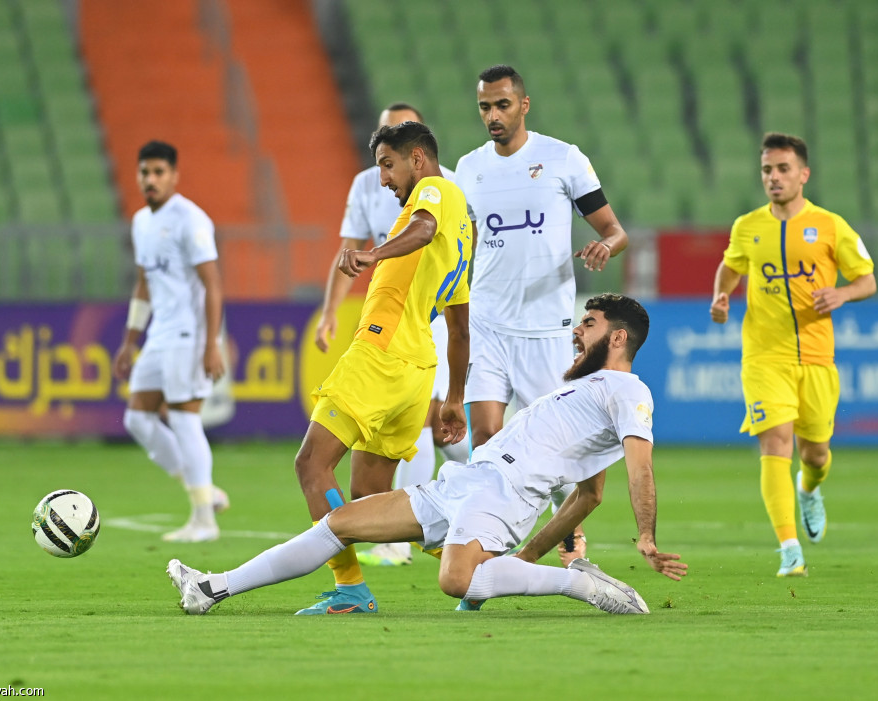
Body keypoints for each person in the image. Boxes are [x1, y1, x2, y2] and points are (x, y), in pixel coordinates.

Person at [167, 294, 688, 616]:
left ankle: (578, 585)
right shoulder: (583, 387)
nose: (578, 329)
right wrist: (528, 556)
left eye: (590, 323)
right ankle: (213, 588)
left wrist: (645, 535)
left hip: (504, 496)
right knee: (338, 523)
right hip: (466, 481)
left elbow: (638, 469)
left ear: (619, 337)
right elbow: (588, 494)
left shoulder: (628, 392)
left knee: (455, 580)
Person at [287, 121, 471, 614]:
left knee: (311, 463)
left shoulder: (433, 193)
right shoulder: (462, 229)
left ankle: (350, 589)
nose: (384, 181)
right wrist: (453, 398)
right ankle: (478, 559)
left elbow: (422, 227)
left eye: (388, 166)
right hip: (418, 370)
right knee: (371, 495)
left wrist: (372, 253)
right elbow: (458, 327)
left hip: (382, 353)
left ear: (417, 158)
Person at [454, 64, 631, 568]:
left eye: (502, 105)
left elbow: (615, 229)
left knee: (563, 447)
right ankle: (487, 536)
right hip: (487, 322)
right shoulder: (469, 169)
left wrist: (605, 247)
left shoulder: (562, 159)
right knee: (487, 436)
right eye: (485, 106)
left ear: (523, 105)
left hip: (546, 330)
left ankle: (566, 527)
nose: (493, 115)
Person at [710, 132, 876, 577]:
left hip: (817, 360)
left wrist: (841, 294)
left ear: (804, 174)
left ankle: (809, 489)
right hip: (764, 357)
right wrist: (721, 296)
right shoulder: (747, 226)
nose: (774, 177)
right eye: (767, 170)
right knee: (775, 443)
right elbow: (731, 264)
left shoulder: (831, 225)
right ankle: (789, 550)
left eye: (783, 169)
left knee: (815, 453)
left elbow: (867, 279)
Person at [112, 140, 228, 543]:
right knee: (137, 418)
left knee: (183, 418)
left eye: (159, 172)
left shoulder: (191, 220)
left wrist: (211, 342)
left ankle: (204, 521)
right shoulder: (141, 221)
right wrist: (130, 341)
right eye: (145, 172)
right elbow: (144, 283)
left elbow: (212, 284)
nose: (151, 179)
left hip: (189, 334)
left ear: (174, 176)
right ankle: (204, 492)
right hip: (159, 334)